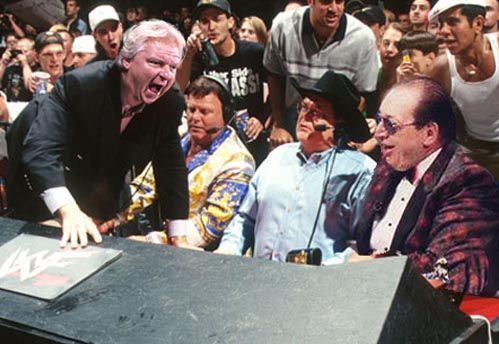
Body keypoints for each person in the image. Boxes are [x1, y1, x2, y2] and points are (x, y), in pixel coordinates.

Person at [6, 20, 189, 249]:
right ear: (126, 60)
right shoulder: (81, 85)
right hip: (42, 187)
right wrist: (68, 210)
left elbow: (170, 166)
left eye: (172, 67)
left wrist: (179, 236)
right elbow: (40, 150)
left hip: (98, 193)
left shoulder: (169, 102)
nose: (166, 75)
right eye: (155, 62)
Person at [352, 77, 499, 295]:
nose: (378, 133)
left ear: (429, 133)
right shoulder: (390, 162)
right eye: (379, 120)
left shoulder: (470, 181)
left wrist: (367, 267)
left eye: (391, 125)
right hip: (367, 294)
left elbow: (443, 269)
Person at [216, 70, 375, 264]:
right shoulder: (277, 156)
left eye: (316, 112)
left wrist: (324, 269)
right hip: (257, 280)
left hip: (317, 286)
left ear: (338, 126)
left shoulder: (359, 172)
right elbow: (245, 219)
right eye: (303, 107)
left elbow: (361, 245)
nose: (304, 117)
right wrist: (228, 250)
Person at [101, 76, 255, 250]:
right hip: (164, 239)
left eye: (205, 112)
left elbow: (206, 230)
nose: (195, 118)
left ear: (226, 115)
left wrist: (148, 241)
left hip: (200, 255)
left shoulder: (238, 162)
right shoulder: (180, 136)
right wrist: (109, 217)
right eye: (191, 109)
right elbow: (145, 187)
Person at [263, 0, 378, 147]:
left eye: (339, 1)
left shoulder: (363, 38)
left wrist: (342, 131)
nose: (333, 8)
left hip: (333, 124)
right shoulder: (284, 26)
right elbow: (274, 75)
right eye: (326, 1)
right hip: (293, 119)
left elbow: (361, 94)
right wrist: (279, 125)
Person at [177, 0, 268, 165]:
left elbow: (277, 87)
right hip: (215, 141)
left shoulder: (253, 52)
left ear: (230, 22)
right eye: (205, 21)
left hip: (251, 135)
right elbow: (179, 87)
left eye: (217, 19)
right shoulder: (199, 58)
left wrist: (262, 118)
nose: (211, 26)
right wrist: (189, 54)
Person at [428, 0, 499, 178]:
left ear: (478, 24)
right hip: (474, 153)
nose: (443, 31)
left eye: (452, 22)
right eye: (440, 24)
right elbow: (420, 111)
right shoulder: (441, 68)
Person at [0, 37, 36, 102]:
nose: (21, 54)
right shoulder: (11, 68)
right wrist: (3, 64)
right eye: (18, 51)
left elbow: (30, 86)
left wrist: (25, 64)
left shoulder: (38, 69)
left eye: (25, 51)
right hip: (9, 106)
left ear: (34, 52)